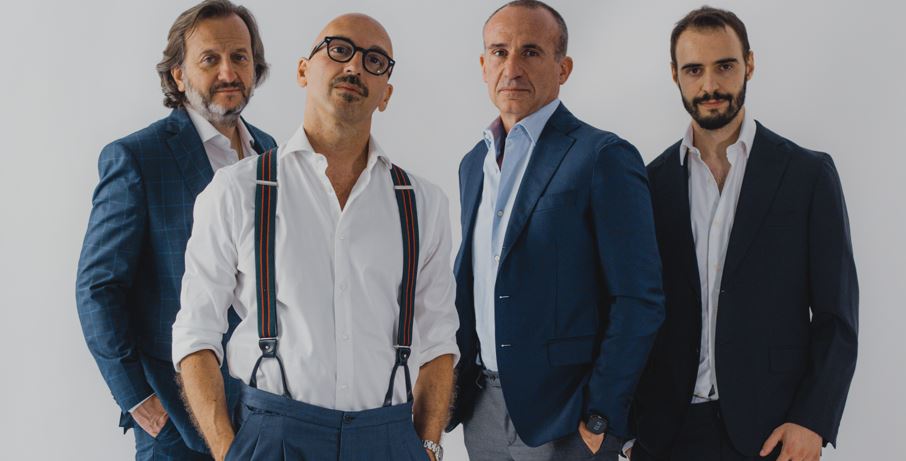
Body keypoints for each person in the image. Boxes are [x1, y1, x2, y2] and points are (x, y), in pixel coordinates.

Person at [172, 13, 460, 461]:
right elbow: (196, 335)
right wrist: (230, 453)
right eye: (339, 50)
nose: (355, 67)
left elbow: (439, 340)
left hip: (389, 438)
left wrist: (428, 445)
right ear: (303, 70)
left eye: (375, 61)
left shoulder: (423, 203)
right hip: (274, 437)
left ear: (386, 94)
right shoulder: (236, 191)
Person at [628, 7, 858, 461]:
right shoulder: (648, 184)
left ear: (749, 64)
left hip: (773, 432)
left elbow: (837, 315)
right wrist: (631, 430)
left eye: (725, 66)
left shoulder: (807, 175)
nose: (710, 85)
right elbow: (629, 309)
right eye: (694, 70)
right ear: (675, 75)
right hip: (665, 434)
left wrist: (813, 420)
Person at [445, 1, 665, 460]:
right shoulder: (473, 164)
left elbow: (639, 298)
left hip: (566, 416)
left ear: (563, 68)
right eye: (499, 52)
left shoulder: (602, 156)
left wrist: (601, 413)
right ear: (483, 66)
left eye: (530, 52)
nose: (512, 67)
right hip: (482, 410)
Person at [75, 1, 275, 459]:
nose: (228, 72)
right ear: (178, 75)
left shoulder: (270, 154)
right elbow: (97, 289)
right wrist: (139, 401)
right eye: (210, 59)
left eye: (240, 57)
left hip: (263, 412)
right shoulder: (137, 158)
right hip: (177, 422)